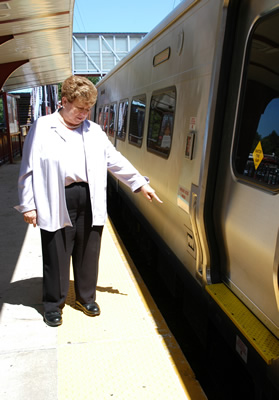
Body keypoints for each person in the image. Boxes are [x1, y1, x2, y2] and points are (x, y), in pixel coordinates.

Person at [15, 75, 162, 327]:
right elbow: (27, 168)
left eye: (87, 109)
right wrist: (28, 204)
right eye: (79, 109)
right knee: (56, 251)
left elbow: (113, 159)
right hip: (56, 196)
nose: (84, 114)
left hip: (89, 195)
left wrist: (140, 182)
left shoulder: (94, 131)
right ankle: (53, 303)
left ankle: (86, 297)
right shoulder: (43, 127)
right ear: (63, 102)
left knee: (88, 249)